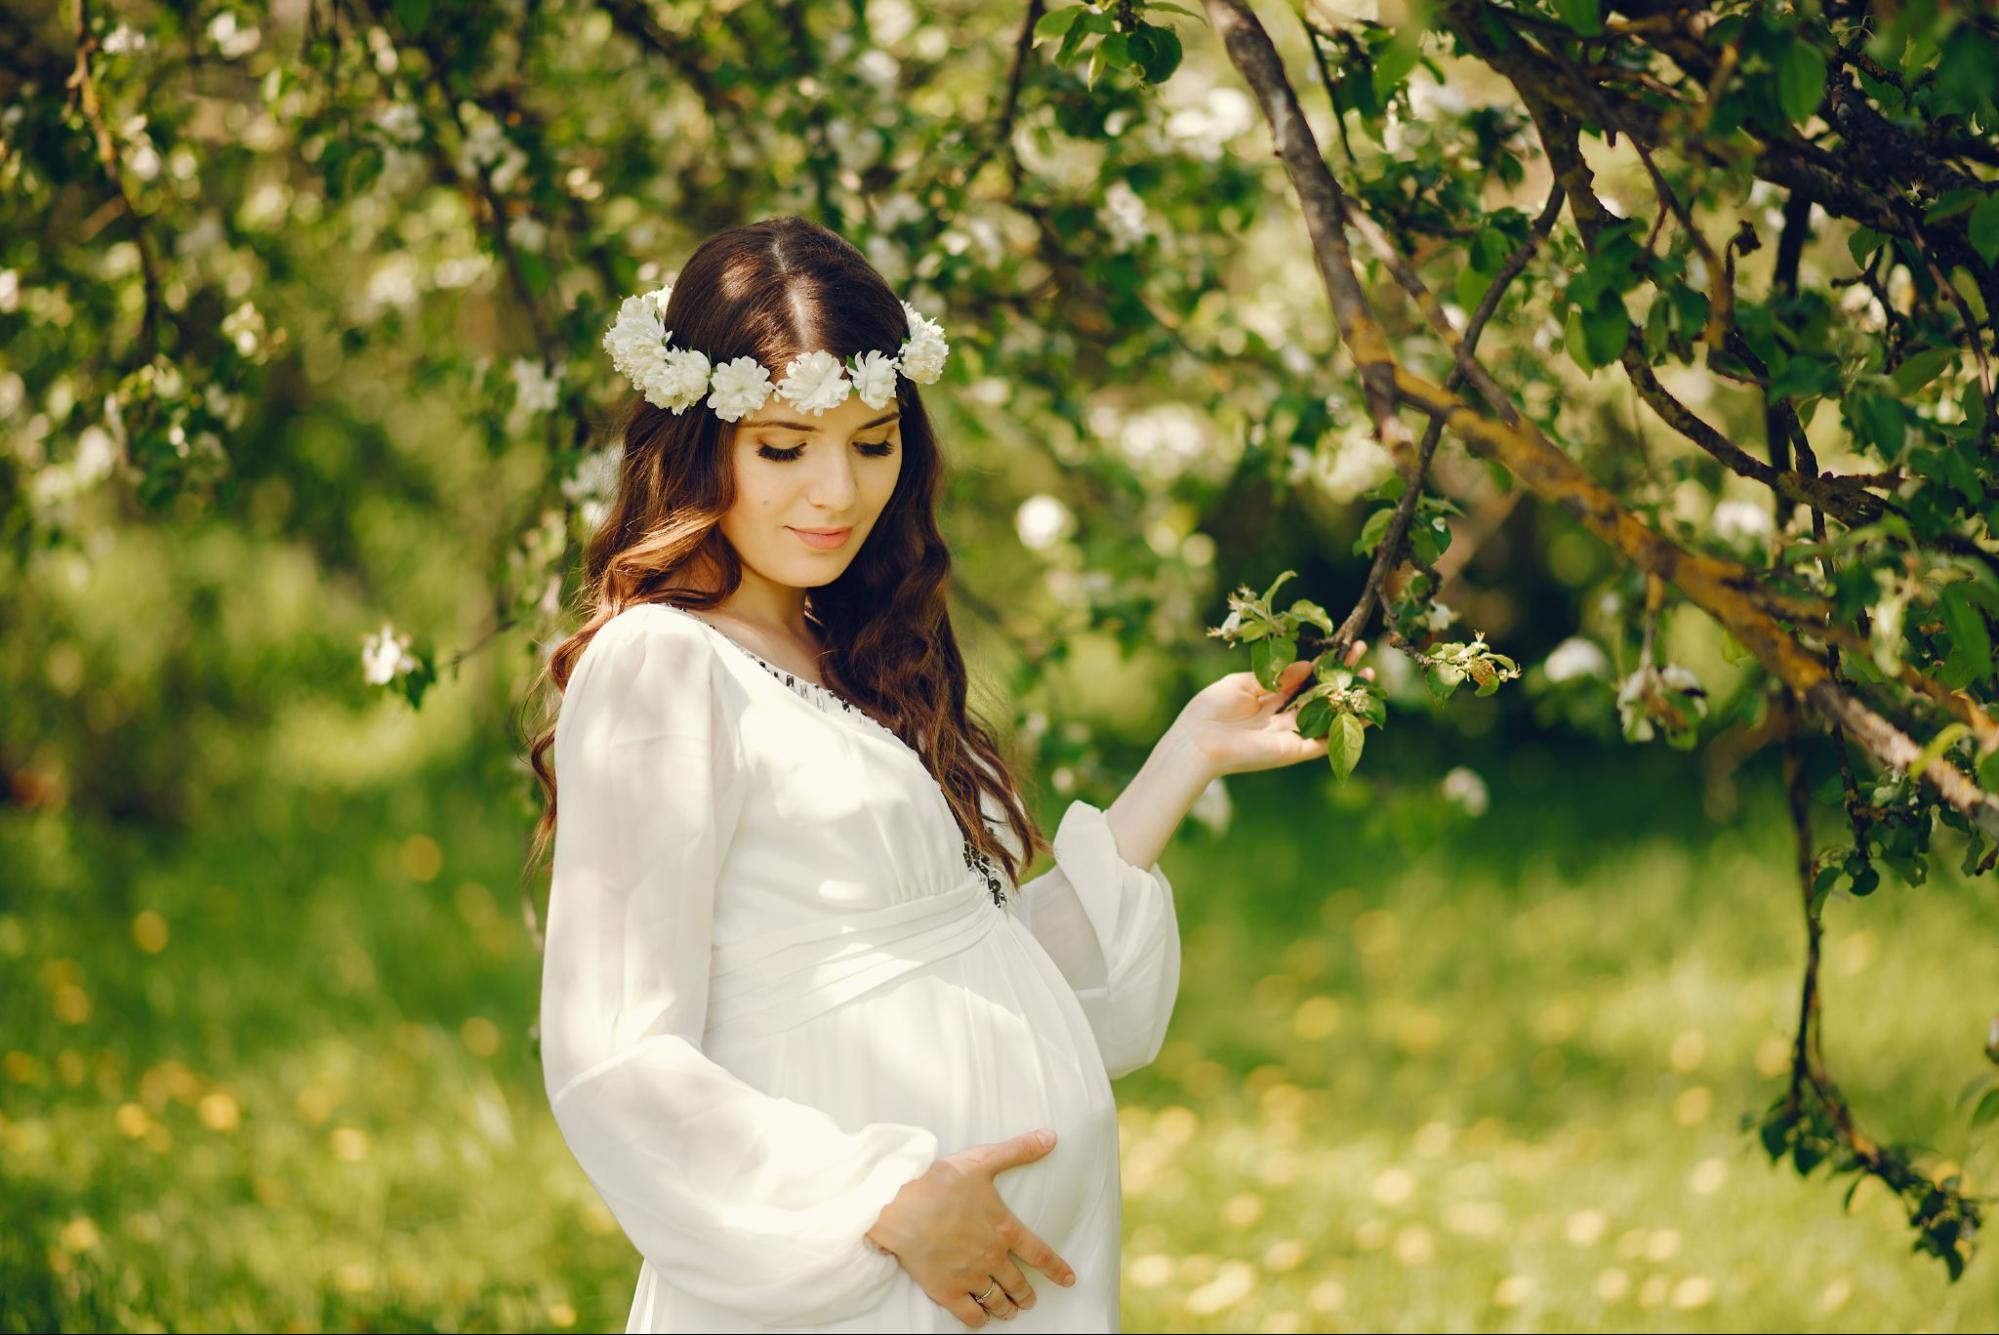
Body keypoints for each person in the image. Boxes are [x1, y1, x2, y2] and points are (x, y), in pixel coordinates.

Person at [522, 216, 1362, 1333]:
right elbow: (616, 1055)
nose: (837, 492)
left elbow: (972, 963)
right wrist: (886, 1201)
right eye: (784, 447)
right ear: (696, 441)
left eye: (873, 442)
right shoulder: (662, 666)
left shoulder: (848, 648)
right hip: (849, 1278)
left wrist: (1187, 756)